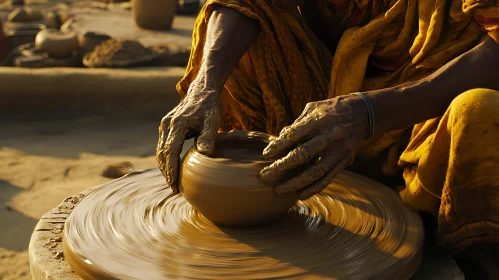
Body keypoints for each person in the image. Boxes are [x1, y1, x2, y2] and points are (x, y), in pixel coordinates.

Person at [156, 0, 499, 272]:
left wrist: (365, 112)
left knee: (481, 111)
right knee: (232, 33)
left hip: (426, 114)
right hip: (330, 104)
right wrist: (204, 87)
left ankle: (467, 251)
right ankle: (265, 191)